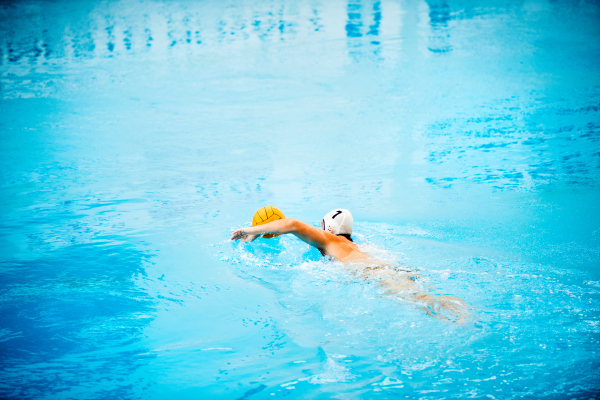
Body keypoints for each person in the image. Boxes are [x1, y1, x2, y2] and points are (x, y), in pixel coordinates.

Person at [231, 209, 469, 322]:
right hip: (391, 269)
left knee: (426, 303)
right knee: (424, 298)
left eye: (321, 227)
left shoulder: (330, 240)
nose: (317, 233)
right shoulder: (359, 246)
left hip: (378, 275)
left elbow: (292, 223)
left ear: (330, 229)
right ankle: (460, 314)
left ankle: (465, 319)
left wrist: (250, 230)